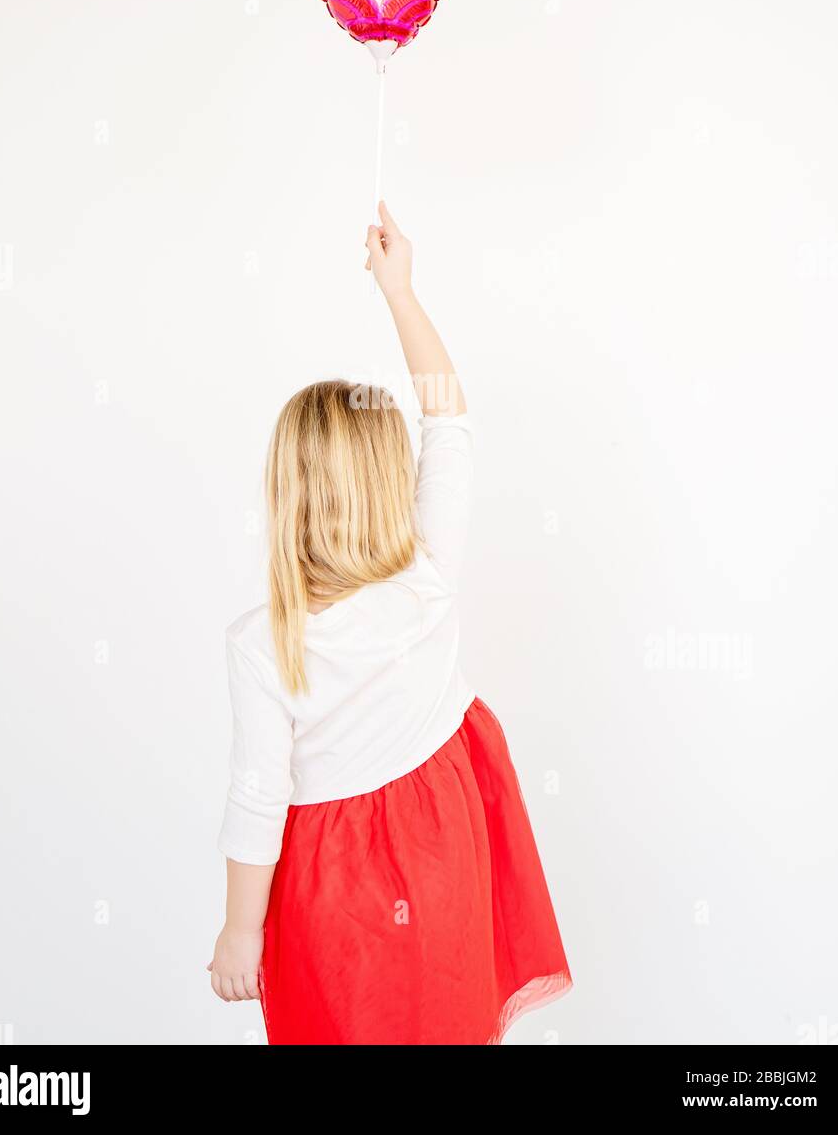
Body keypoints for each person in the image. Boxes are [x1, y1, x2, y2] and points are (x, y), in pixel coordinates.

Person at [208, 201, 572, 1044]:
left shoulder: (264, 642)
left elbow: (259, 797)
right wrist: (400, 293)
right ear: (388, 481)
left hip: (329, 886)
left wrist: (238, 931)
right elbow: (450, 422)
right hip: (444, 849)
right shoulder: (426, 581)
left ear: (286, 492)